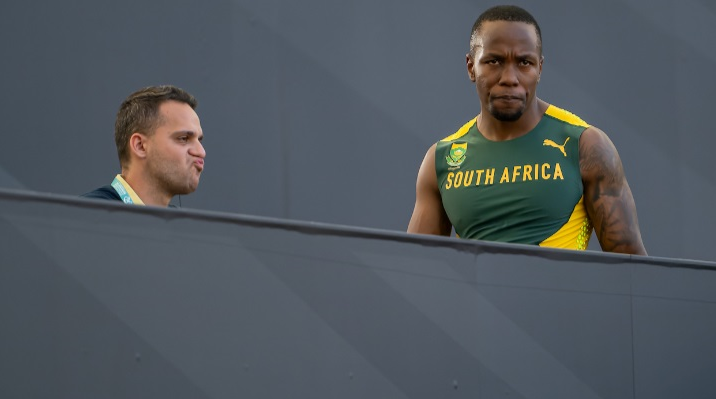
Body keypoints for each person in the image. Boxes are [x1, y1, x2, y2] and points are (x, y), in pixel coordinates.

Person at [407, 5, 646, 255]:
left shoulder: (585, 145)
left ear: (539, 69)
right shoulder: (442, 159)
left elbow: (633, 273)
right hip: (478, 295)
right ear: (471, 67)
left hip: (559, 294)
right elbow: (418, 268)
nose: (509, 77)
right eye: (494, 61)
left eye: (524, 62)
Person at [81, 85, 206, 207]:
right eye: (183, 138)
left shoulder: (182, 225)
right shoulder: (86, 215)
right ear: (140, 146)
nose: (201, 152)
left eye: (199, 140)